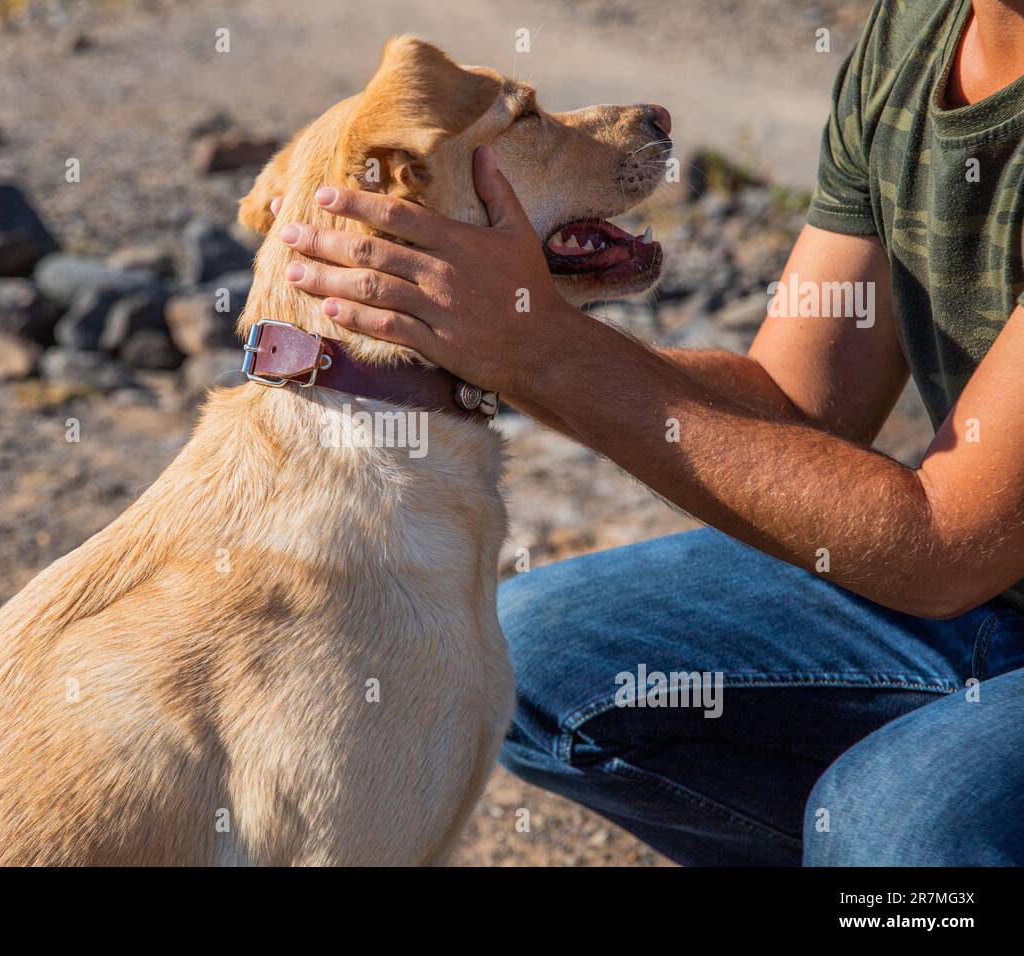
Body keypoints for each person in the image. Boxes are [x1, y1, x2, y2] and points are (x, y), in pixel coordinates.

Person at [272, 0, 1024, 865]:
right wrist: (479, 340)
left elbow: (943, 546)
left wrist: (537, 351)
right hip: (982, 607)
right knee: (529, 657)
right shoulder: (917, 33)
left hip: (960, 572)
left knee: (893, 824)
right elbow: (795, 405)